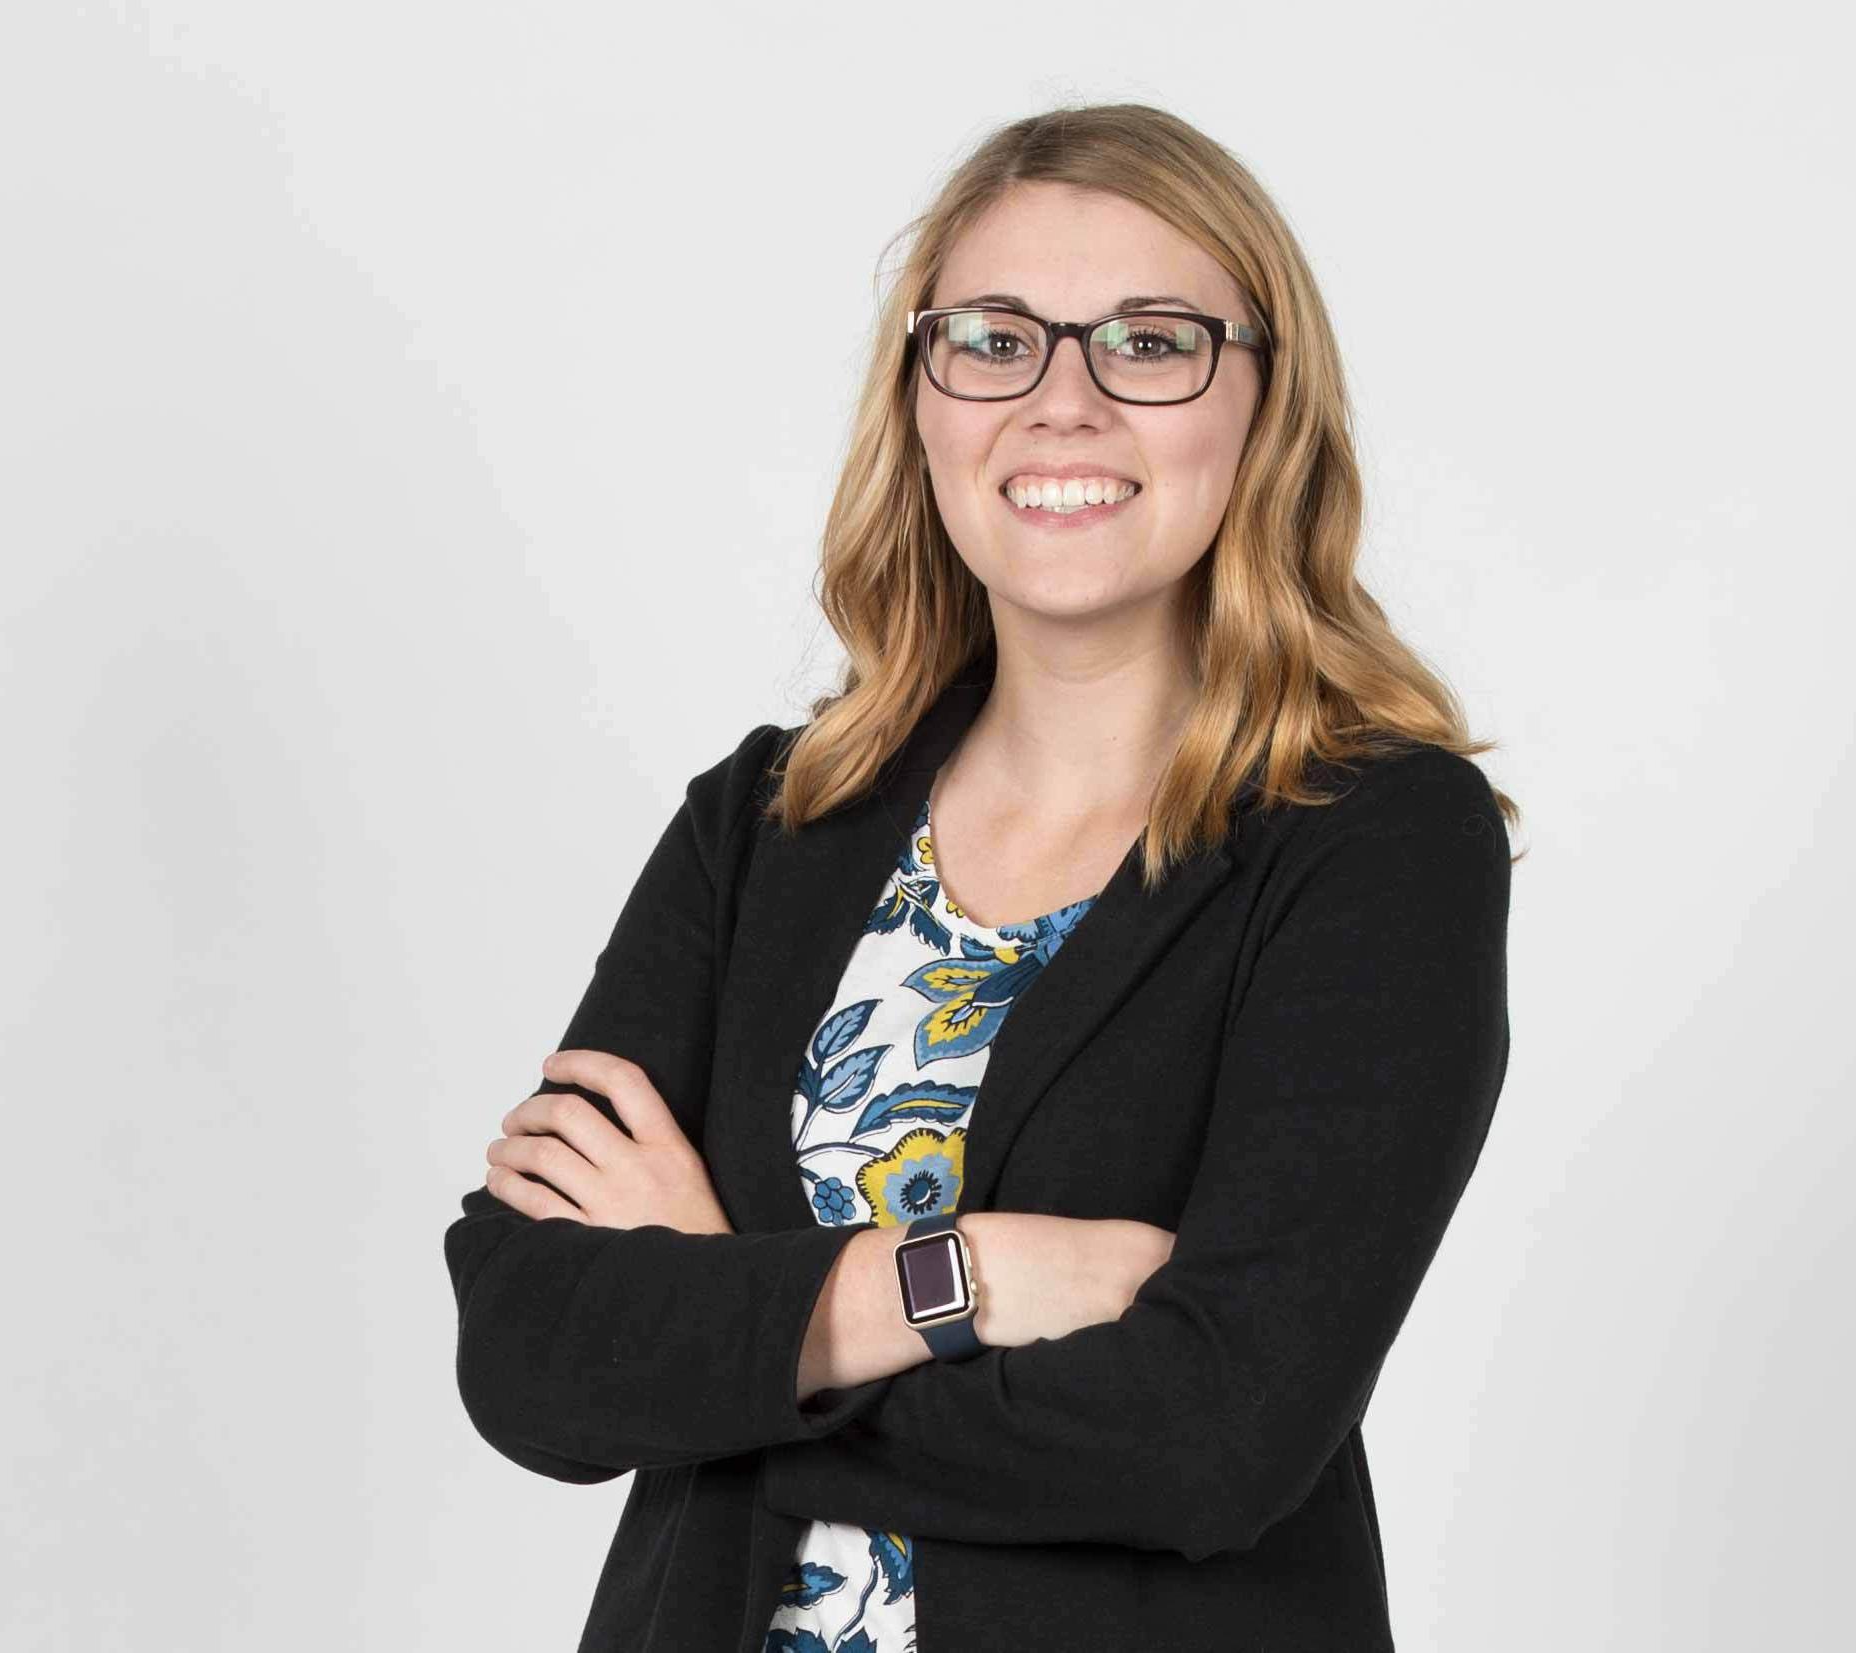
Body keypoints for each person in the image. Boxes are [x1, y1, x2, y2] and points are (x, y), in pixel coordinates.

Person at [444, 101, 1520, 1653]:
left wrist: (726, 1310)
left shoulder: (1372, 840)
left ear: (1263, 406)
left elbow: (1212, 1436)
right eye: (994, 339)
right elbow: (532, 1353)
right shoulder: (767, 818)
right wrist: (961, 1280)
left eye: (1151, 343)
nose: (1061, 403)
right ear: (923, 398)